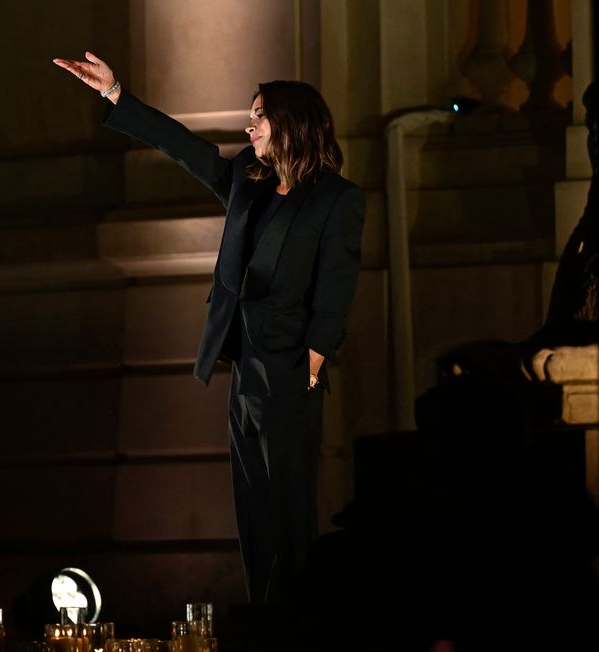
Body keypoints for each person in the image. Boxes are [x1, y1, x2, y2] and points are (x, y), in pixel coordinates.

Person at [53, 52, 365, 603]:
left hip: (292, 368)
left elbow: (336, 280)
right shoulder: (250, 179)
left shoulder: (336, 199)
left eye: (261, 114)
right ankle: (264, 620)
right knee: (252, 511)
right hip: (244, 364)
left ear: (292, 122)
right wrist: (116, 94)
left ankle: (294, 626)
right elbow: (186, 149)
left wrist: (316, 355)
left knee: (290, 507)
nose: (250, 124)